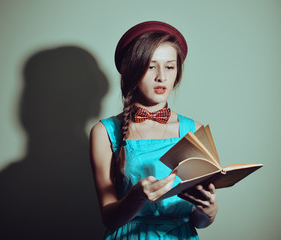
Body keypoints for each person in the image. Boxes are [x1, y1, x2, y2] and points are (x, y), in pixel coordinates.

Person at [90, 21, 218, 239]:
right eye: (151, 66)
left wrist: (209, 211)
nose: (161, 77)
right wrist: (137, 197)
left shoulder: (194, 129)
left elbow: (198, 221)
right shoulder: (104, 131)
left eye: (169, 66)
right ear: (132, 70)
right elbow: (109, 219)